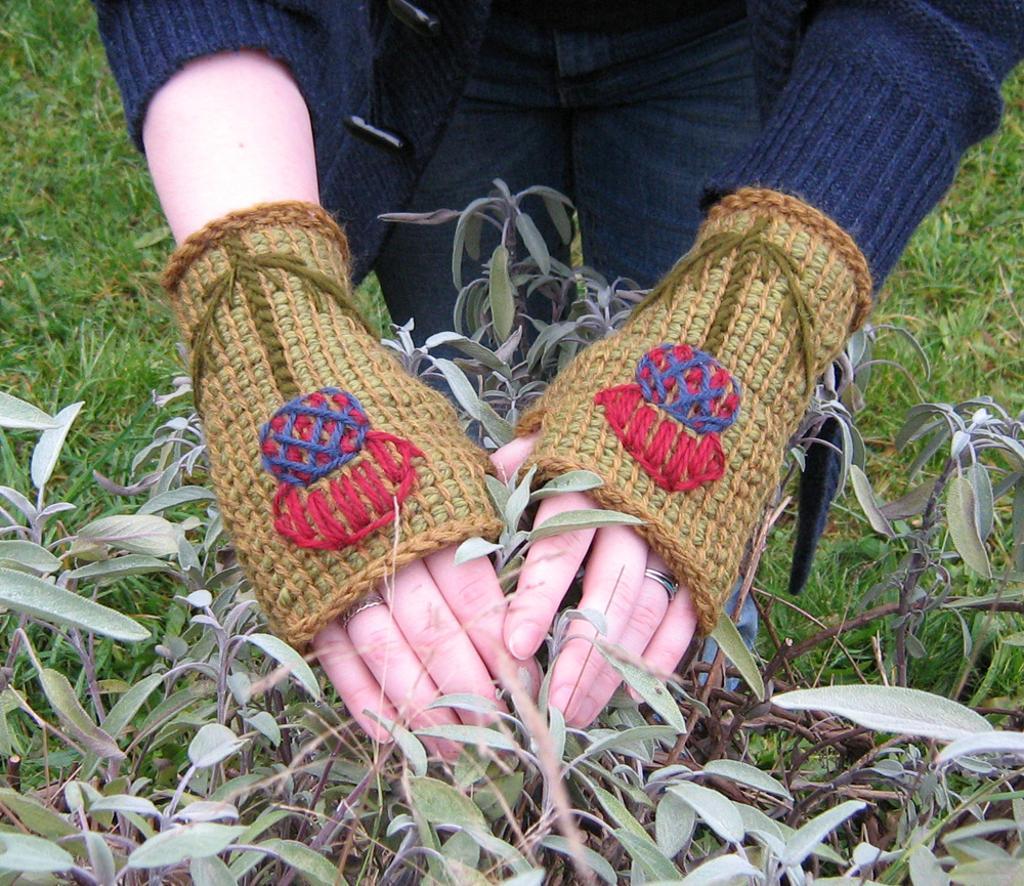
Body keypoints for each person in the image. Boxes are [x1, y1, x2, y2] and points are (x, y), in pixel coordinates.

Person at [91, 1, 1024, 749]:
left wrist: (772, 287)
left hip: (717, 35)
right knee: (456, 470)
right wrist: (257, 291)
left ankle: (681, 765)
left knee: (666, 535)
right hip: (439, 36)